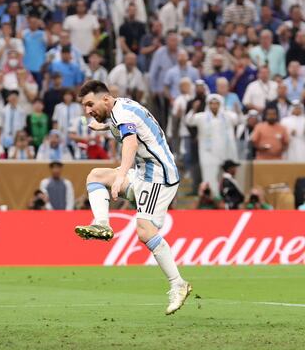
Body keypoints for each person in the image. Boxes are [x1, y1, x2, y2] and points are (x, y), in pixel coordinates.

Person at [73, 80, 191, 316]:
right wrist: (105, 128)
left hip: (158, 177)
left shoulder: (122, 113)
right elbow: (134, 127)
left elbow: (130, 141)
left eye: (89, 104)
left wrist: (121, 176)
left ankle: (178, 284)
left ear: (105, 99)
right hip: (144, 173)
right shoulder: (121, 107)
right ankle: (102, 224)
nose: (87, 111)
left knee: (145, 230)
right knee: (95, 176)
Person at [185, 94, 242, 194]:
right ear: (208, 104)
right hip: (208, 152)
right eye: (211, 103)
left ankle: (227, 198)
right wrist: (193, 109)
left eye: (216, 103)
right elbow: (189, 121)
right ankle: (213, 198)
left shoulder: (227, 116)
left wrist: (238, 110)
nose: (214, 106)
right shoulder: (202, 117)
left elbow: (239, 120)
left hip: (225, 151)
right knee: (209, 176)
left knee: (227, 177)